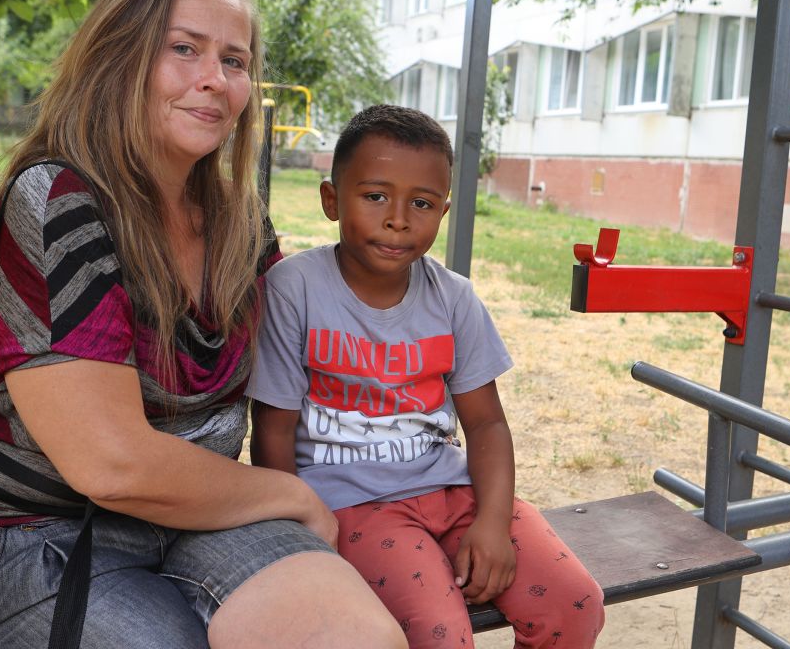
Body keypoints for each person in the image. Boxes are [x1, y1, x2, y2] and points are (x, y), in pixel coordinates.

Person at [0, 0, 406, 649]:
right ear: (124, 55)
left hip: (205, 515)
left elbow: (318, 365)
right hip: (43, 536)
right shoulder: (58, 200)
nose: (214, 80)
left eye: (234, 61)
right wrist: (292, 498)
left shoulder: (242, 221)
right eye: (184, 49)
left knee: (358, 638)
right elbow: (110, 464)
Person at [248, 105, 606, 649]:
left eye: (420, 203)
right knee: (439, 634)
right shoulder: (294, 289)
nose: (398, 218)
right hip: (352, 506)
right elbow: (272, 430)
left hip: (454, 491)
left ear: (442, 210)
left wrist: (491, 524)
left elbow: (486, 426)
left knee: (574, 603)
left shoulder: (454, 298)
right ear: (331, 199)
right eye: (374, 196)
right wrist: (295, 540)